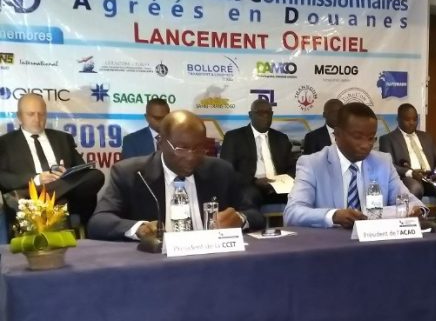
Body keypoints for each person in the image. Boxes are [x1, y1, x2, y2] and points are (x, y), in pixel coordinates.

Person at [88, 110, 264, 241]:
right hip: (157, 265)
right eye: (181, 148)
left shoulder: (220, 171)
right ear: (161, 143)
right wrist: (140, 228)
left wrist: (240, 219)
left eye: (199, 148)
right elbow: (99, 222)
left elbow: (255, 215)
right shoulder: (131, 173)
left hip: (212, 259)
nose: (191, 156)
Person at [284, 102, 425, 228]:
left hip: (375, 242)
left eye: (371, 138)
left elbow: (410, 201)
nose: (366, 145)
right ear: (337, 134)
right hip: (330, 244)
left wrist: (417, 210)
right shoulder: (313, 164)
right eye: (357, 137)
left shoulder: (383, 162)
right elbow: (292, 212)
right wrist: (333, 216)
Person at [0, 93, 104, 224]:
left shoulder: (63, 138)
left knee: (96, 175)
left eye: (41, 114)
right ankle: (48, 199)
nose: (37, 119)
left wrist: (66, 173)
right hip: (30, 194)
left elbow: (82, 171)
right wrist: (36, 179)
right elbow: (3, 177)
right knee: (61, 202)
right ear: (19, 117)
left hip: (54, 194)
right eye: (31, 114)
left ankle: (45, 197)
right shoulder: (5, 143)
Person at [219, 99, 293, 206]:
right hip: (250, 186)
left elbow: (292, 166)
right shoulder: (234, 137)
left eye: (268, 113)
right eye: (260, 113)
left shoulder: (281, 138)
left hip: (279, 186)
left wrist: (286, 180)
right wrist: (254, 181)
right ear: (250, 115)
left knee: (301, 195)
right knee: (249, 198)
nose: (265, 117)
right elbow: (227, 170)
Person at [378, 103, 436, 199]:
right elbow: (388, 165)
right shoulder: (387, 139)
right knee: (415, 187)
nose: (412, 122)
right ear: (398, 119)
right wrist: (410, 173)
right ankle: (412, 209)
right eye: (407, 120)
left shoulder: (426, 137)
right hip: (408, 178)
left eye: (415, 119)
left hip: (430, 177)